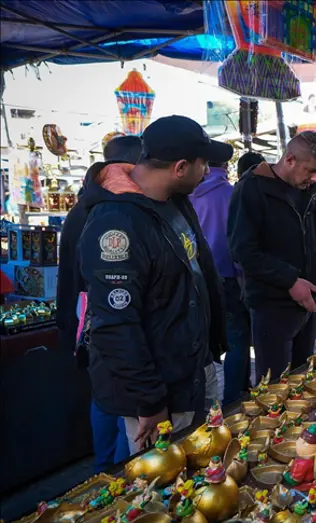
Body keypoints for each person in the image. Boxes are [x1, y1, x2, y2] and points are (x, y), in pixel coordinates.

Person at [78, 115, 231, 453]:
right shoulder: (115, 223)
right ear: (180, 167)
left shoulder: (174, 201)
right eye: (203, 163)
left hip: (193, 370)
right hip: (159, 391)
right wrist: (149, 400)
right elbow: (115, 324)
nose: (207, 171)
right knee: (162, 492)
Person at [228, 131, 316, 379]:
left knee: (302, 380)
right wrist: (290, 281)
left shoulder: (312, 189)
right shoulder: (252, 189)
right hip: (271, 306)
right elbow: (243, 251)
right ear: (289, 160)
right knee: (275, 387)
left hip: (308, 304)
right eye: (310, 171)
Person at [58, 134, 140, 471]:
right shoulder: (107, 208)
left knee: (105, 397)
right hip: (100, 318)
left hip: (86, 319)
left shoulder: (85, 204)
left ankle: (105, 469)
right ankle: (116, 471)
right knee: (120, 402)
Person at [190, 160, 250, 406]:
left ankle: (206, 402)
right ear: (225, 165)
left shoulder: (184, 193)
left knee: (202, 343)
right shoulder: (229, 193)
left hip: (195, 279)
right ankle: (233, 400)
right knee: (237, 340)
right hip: (227, 276)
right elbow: (236, 241)